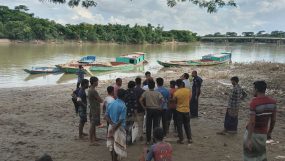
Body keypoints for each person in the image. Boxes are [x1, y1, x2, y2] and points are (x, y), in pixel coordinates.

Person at [243, 81, 277, 161]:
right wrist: (269, 132)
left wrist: (249, 139)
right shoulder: (273, 102)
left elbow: (252, 122)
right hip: (263, 134)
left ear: (256, 89)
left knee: (249, 156)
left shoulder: (254, 103)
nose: (252, 90)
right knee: (261, 156)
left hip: (254, 134)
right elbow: (273, 120)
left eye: (253, 88)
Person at [105, 89, 127, 161]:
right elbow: (121, 120)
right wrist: (115, 127)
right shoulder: (123, 106)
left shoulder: (111, 103)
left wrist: (112, 124)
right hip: (119, 128)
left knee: (111, 145)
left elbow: (106, 116)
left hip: (111, 126)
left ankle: (113, 159)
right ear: (124, 96)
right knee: (117, 147)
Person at [139, 80, 164, 144]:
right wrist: (160, 106)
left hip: (149, 109)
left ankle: (148, 140)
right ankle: (155, 140)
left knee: (148, 125)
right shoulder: (157, 93)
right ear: (154, 86)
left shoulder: (146, 92)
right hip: (156, 110)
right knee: (156, 125)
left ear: (148, 86)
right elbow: (163, 100)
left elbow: (140, 100)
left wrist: (144, 107)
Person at [173, 79, 192, 144]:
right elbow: (190, 99)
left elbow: (174, 101)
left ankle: (181, 139)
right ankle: (189, 139)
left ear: (177, 85)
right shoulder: (188, 91)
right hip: (187, 110)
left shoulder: (176, 93)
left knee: (179, 125)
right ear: (182, 84)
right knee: (187, 125)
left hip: (179, 110)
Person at [88, 77, 103, 145]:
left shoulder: (90, 89)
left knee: (93, 124)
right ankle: (91, 141)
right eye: (97, 81)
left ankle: (94, 137)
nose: (97, 83)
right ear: (94, 82)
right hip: (94, 109)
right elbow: (100, 100)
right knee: (92, 124)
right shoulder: (93, 91)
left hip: (92, 108)